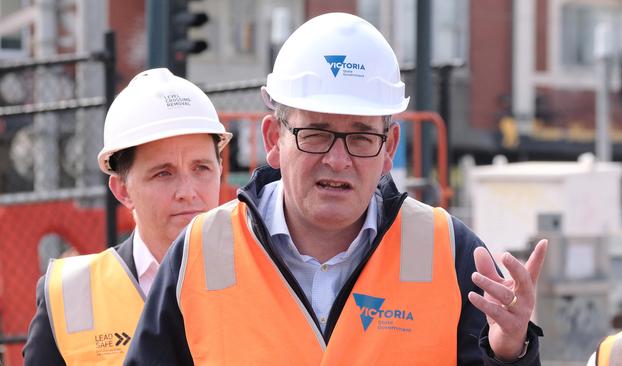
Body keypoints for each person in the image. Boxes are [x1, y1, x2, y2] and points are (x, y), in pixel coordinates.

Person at [124, 13, 547, 365]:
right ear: (274, 139)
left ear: (389, 148)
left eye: (361, 137)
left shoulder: (448, 251)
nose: (338, 160)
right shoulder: (201, 252)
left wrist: (509, 352)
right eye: (317, 133)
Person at [23, 68, 232, 365]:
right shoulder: (69, 297)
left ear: (220, 170)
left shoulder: (263, 276)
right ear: (122, 189)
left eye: (201, 168)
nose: (187, 191)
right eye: (164, 173)